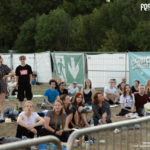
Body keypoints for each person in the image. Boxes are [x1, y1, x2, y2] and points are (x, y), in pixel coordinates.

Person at [0, 56, 14, 121]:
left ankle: (2, 116)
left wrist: (6, 75)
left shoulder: (4, 66)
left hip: (2, 84)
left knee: (2, 101)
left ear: (1, 59)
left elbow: (13, 73)